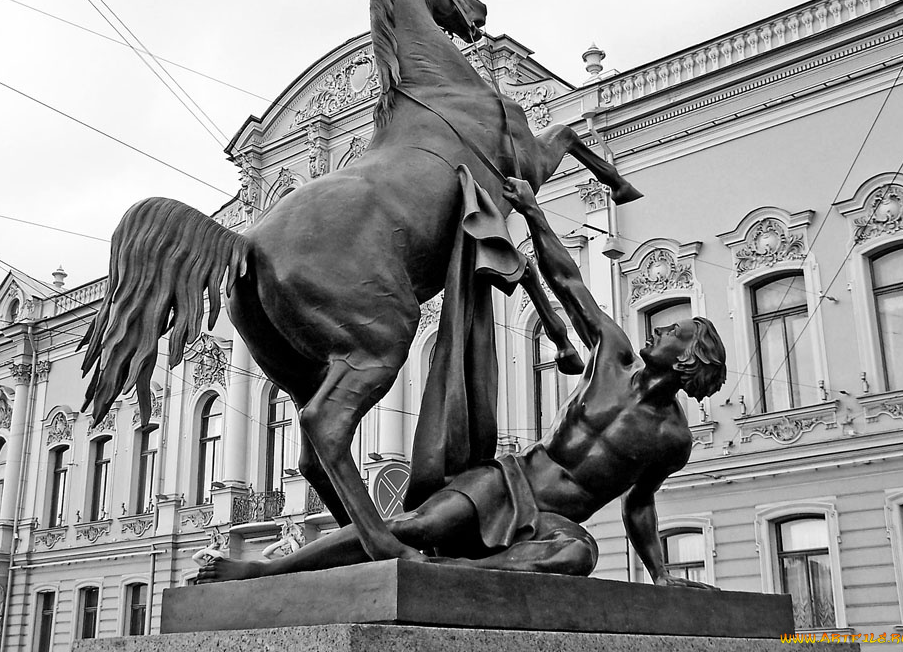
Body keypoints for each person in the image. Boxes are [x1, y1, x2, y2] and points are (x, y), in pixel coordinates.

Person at [196, 178, 726, 587]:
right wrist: (534, 215)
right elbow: (569, 283)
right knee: (413, 528)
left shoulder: (671, 440)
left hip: (554, 523)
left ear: (687, 361)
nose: (659, 328)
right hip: (510, 482)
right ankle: (262, 572)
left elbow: (639, 505)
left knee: (579, 554)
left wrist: (660, 576)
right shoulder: (613, 359)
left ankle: (448, 577)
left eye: (674, 331)